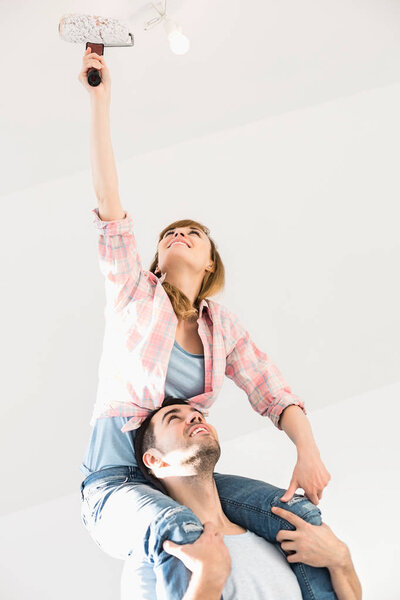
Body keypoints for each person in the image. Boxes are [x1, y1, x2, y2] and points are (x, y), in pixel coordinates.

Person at [78, 48, 334, 599]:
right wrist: (99, 101)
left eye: (192, 232)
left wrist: (306, 450)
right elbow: (110, 206)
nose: (178, 234)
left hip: (188, 477)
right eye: (169, 233)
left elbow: (273, 391)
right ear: (154, 255)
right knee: (185, 533)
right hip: (120, 483)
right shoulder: (133, 296)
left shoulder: (223, 329)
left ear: (210, 262)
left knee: (302, 521)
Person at [119, 397, 361, 600]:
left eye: (197, 413)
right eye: (173, 418)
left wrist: (340, 559)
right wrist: (208, 578)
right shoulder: (150, 558)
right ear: (155, 461)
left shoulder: (277, 539)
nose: (195, 417)